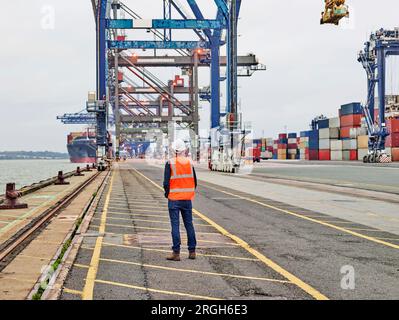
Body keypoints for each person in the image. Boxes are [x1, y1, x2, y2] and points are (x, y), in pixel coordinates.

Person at [163, 139, 197, 261]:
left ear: (174, 150)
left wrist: (168, 194)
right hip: (187, 199)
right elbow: (195, 182)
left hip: (174, 199)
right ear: (184, 150)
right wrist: (188, 193)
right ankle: (192, 251)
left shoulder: (170, 163)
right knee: (189, 224)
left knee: (175, 225)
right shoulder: (189, 163)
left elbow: (166, 183)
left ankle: (176, 253)